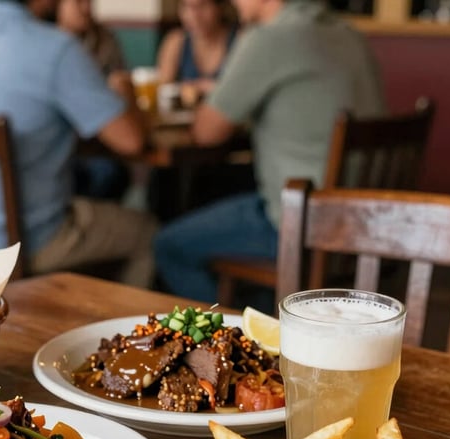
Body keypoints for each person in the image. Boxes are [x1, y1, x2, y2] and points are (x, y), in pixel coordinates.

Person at [154, 0, 385, 304]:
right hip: (366, 222)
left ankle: (234, 329)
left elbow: (206, 132)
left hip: (301, 223)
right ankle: (265, 313)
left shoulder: (269, 38)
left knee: (169, 245)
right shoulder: (348, 33)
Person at [0, 0, 158, 288]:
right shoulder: (57, 49)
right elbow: (131, 141)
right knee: (149, 234)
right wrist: (125, 90)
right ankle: (105, 316)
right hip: (28, 242)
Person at [57, 0, 131, 201]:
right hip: (61, 152)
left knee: (113, 172)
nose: (87, 8)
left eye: (90, 2)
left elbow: (121, 92)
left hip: (101, 143)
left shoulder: (106, 39)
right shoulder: (50, 44)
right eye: (78, 2)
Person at [156, 0, 238, 102]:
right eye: (186, 7)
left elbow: (244, 90)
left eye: (202, 6)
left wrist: (210, 88)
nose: (194, 15)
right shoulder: (176, 42)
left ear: (219, 8)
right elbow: (163, 88)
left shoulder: (238, 40)